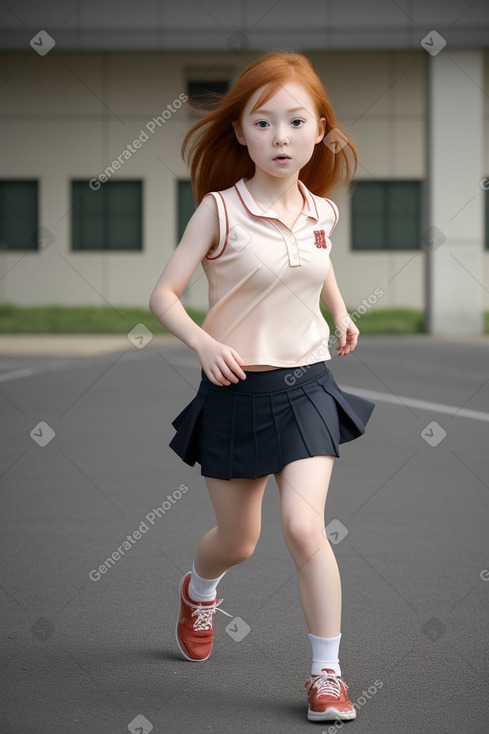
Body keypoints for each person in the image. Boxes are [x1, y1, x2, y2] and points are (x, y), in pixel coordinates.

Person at [149, 50, 375, 723]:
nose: (280, 136)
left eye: (295, 121)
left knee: (305, 530)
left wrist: (339, 311)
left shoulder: (320, 212)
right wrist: (202, 341)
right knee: (239, 542)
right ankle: (200, 587)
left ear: (318, 131)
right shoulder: (220, 211)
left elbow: (318, 262)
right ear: (241, 134)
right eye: (264, 122)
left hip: (306, 386)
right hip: (233, 393)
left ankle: (326, 676)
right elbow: (162, 294)